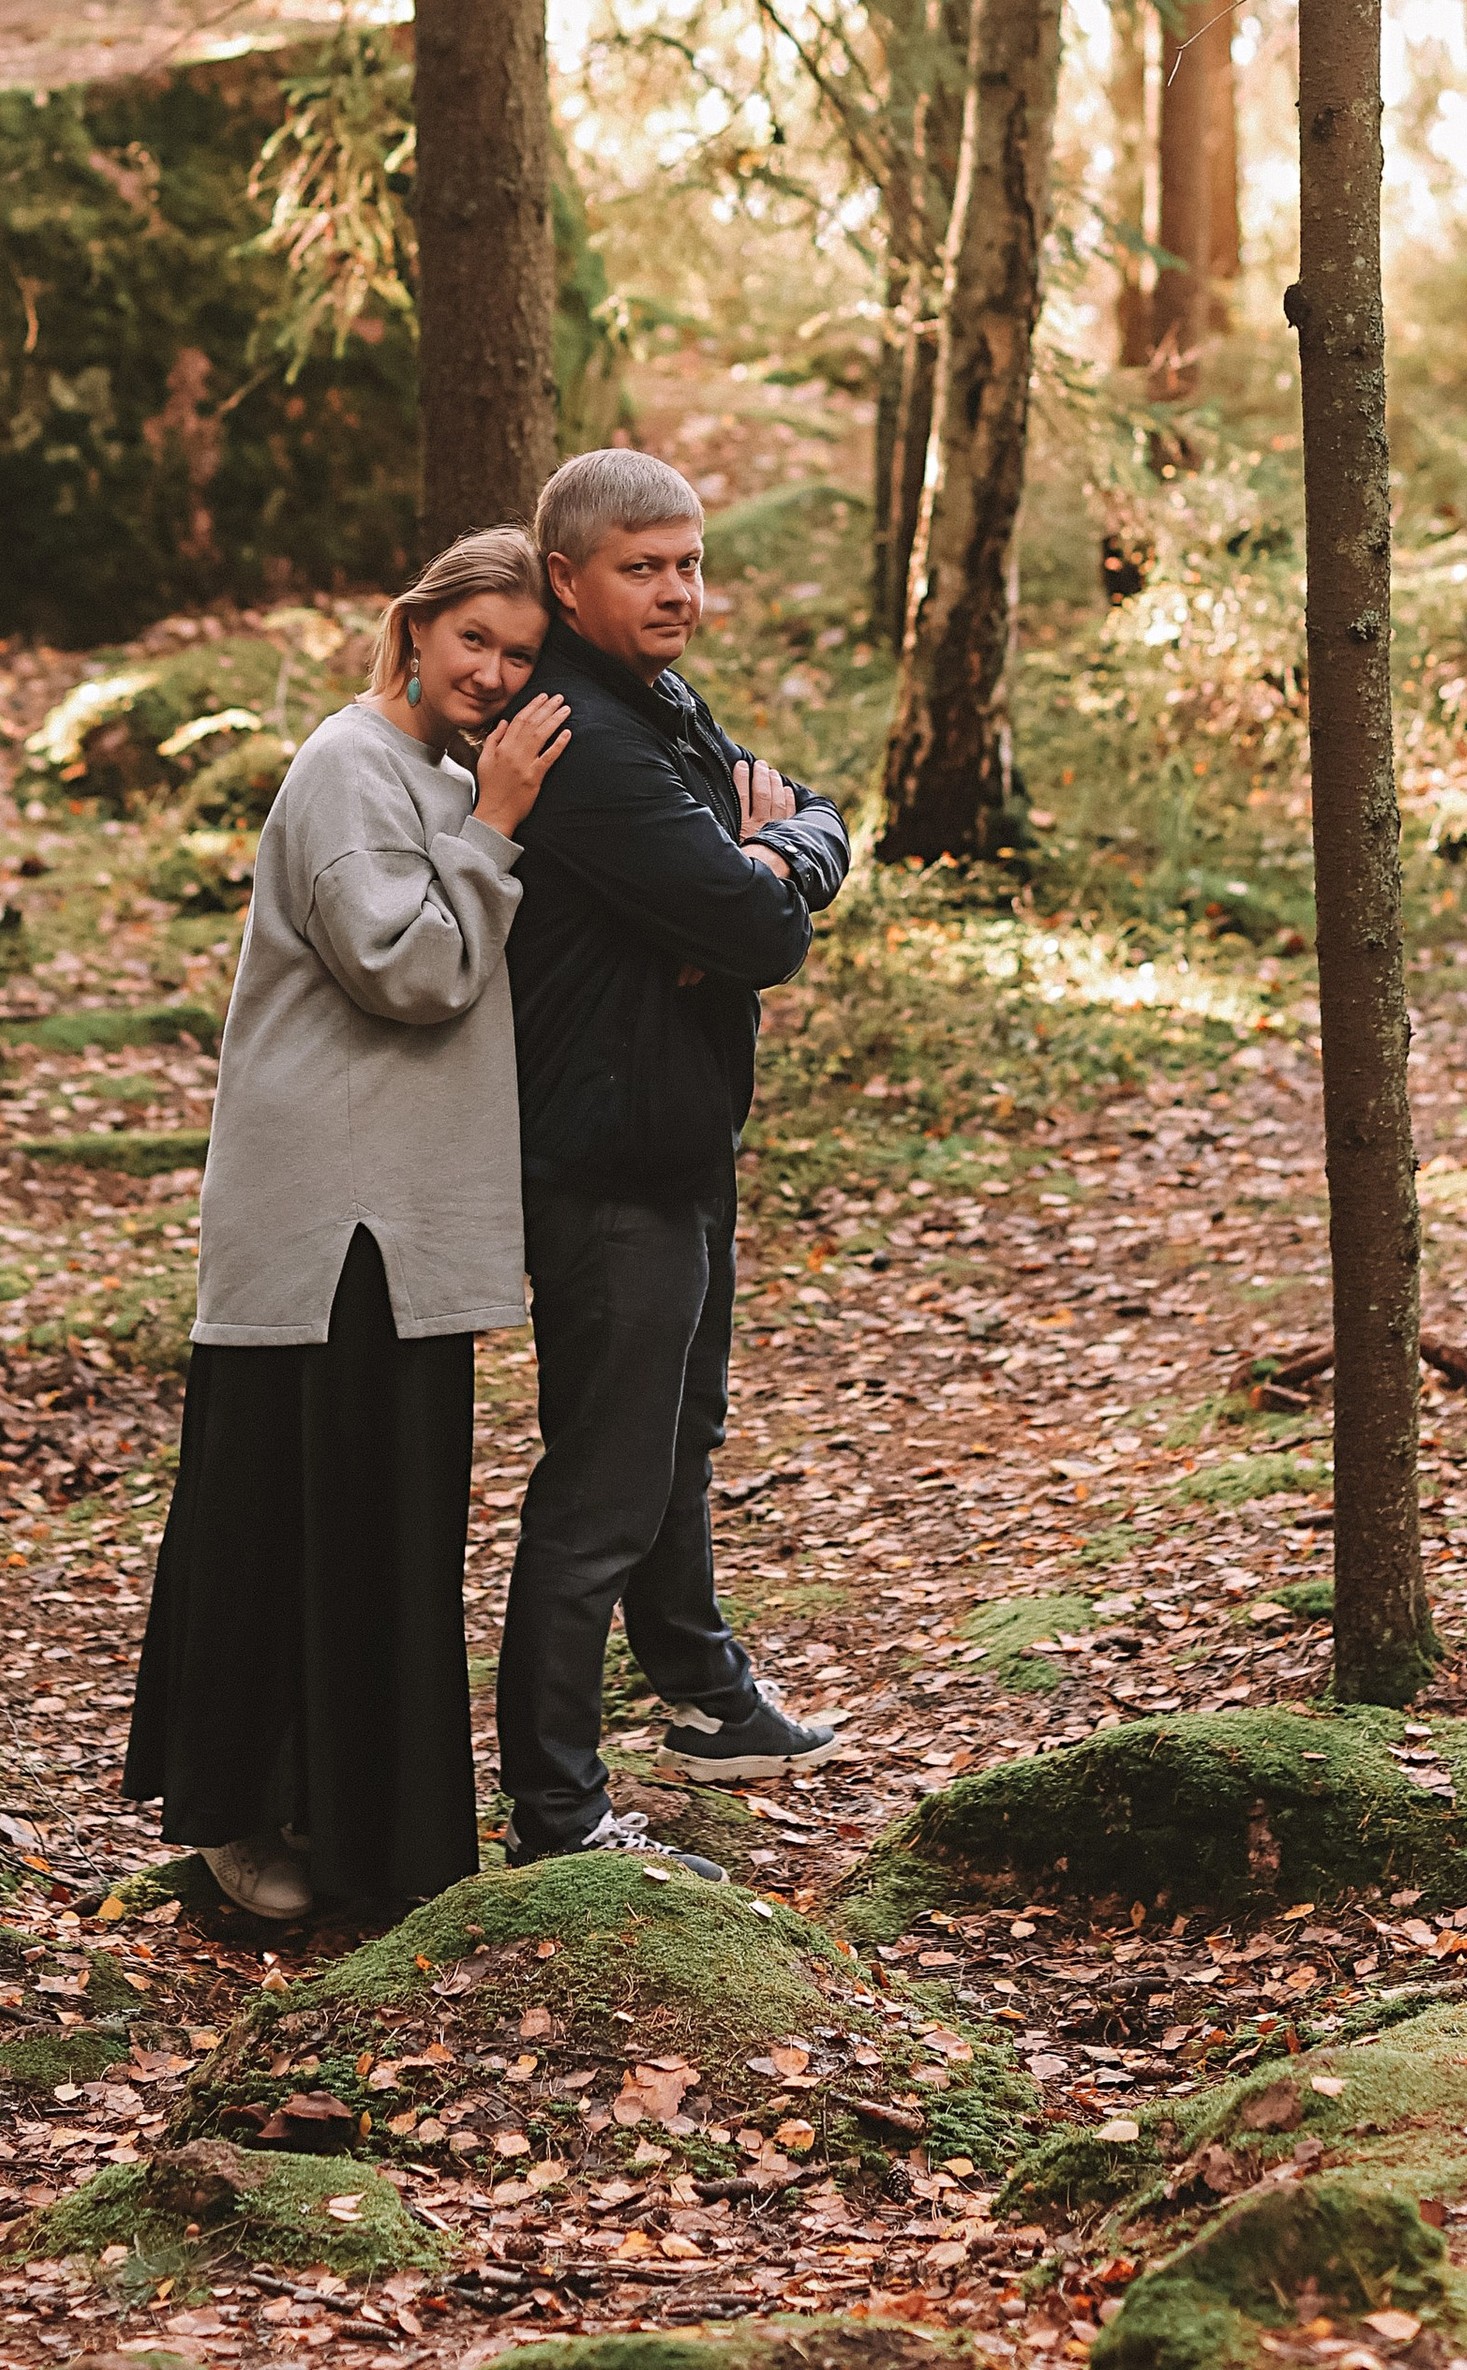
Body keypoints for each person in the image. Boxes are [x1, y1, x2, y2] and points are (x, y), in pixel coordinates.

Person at [122, 527, 570, 1923]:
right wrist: (495, 825)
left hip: (395, 1216)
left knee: (384, 1529)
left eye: (521, 656)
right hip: (328, 1227)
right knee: (292, 1518)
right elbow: (413, 969)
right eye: (475, 643)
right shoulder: (348, 769)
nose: (495, 675)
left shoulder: (434, 771)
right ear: (414, 632)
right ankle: (241, 1817)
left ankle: (367, 1839)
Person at [496, 447, 851, 1868]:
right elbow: (757, 935)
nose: (677, 590)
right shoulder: (578, 733)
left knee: (681, 1440)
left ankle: (705, 1692)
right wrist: (757, 883)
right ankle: (557, 1815)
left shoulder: (661, 704)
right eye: (643, 568)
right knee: (599, 1490)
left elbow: (807, 811)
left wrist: (778, 856)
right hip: (604, 1162)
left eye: (690, 562)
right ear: (567, 580)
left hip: (684, 1135)